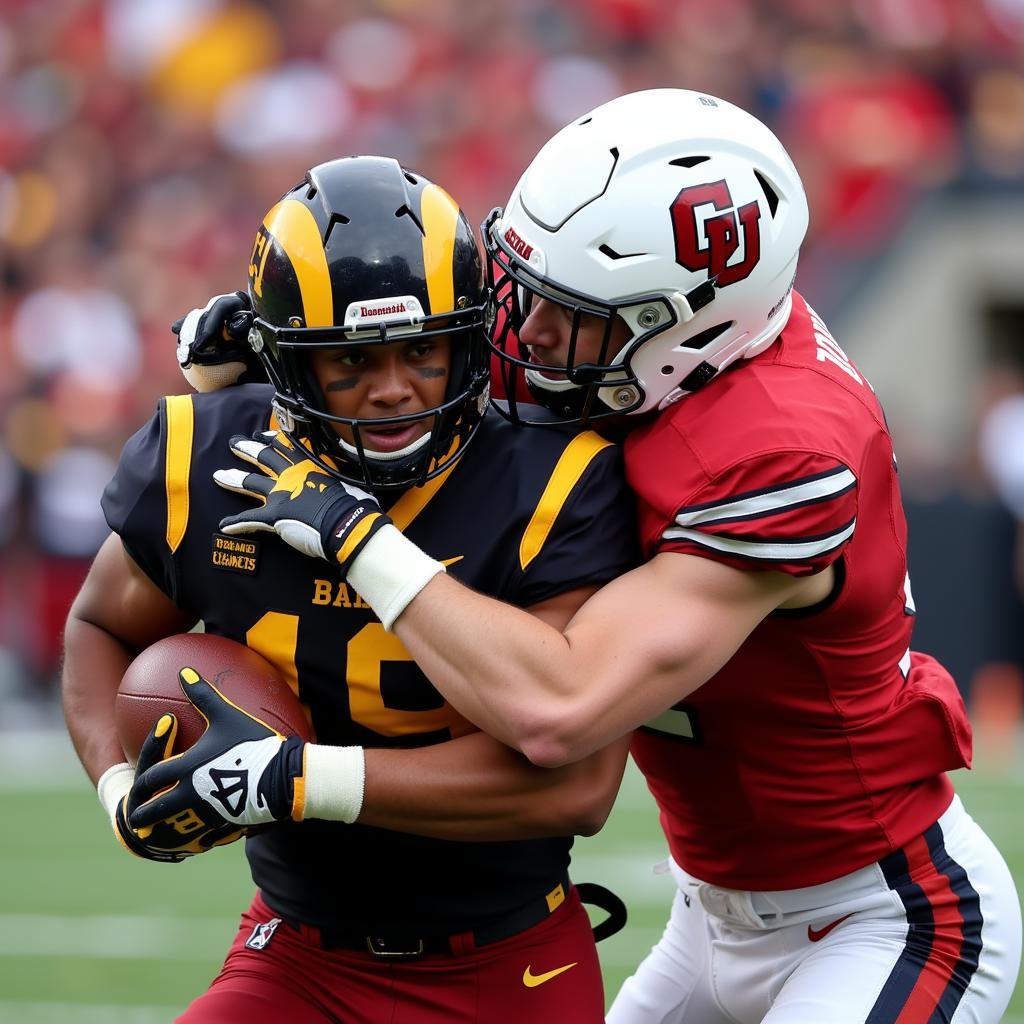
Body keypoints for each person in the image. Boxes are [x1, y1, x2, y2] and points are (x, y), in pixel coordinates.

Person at [165, 91, 1022, 1023]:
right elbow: (410, 398)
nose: (526, 335)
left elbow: (559, 708)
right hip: (708, 914)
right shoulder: (641, 360)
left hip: (880, 913)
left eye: (570, 314)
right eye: (527, 289)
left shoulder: (780, 447)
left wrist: (353, 533)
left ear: (682, 328)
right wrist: (283, 369)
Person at [61, 155, 638, 1023]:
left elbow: (576, 789)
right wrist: (118, 787)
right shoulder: (209, 454)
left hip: (504, 965)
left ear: (471, 338)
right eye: (351, 361)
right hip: (296, 952)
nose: (394, 387)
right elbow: (99, 625)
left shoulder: (552, 481)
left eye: (422, 350)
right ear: (286, 363)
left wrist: (298, 780)